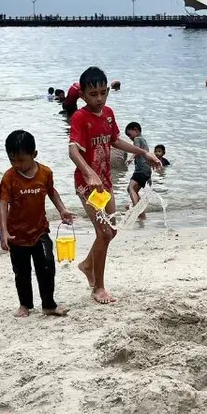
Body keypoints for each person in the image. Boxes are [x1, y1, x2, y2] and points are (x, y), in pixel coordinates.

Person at [68, 66, 161, 305]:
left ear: (107, 91)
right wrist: (88, 173)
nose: (98, 99)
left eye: (102, 93)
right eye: (93, 94)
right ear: (83, 96)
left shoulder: (108, 113)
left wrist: (144, 152)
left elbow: (115, 140)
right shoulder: (79, 117)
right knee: (104, 232)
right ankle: (98, 287)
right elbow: (73, 150)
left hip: (105, 183)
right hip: (87, 186)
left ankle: (88, 265)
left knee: (111, 232)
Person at [0, 129, 74, 317]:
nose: (17, 165)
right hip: (17, 235)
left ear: (34, 155)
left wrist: (62, 209)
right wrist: (4, 232)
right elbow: (3, 204)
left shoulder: (45, 173)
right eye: (12, 160)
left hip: (40, 231)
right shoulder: (9, 177)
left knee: (47, 265)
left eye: (21, 160)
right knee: (22, 272)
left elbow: (52, 192)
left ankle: (48, 304)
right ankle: (25, 304)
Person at [124, 122, 154, 215]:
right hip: (146, 170)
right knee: (134, 190)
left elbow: (136, 150)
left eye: (129, 134)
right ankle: (140, 211)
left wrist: (130, 159)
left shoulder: (137, 139)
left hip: (141, 170)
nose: (129, 137)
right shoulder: (143, 140)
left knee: (131, 188)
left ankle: (137, 212)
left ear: (135, 130)